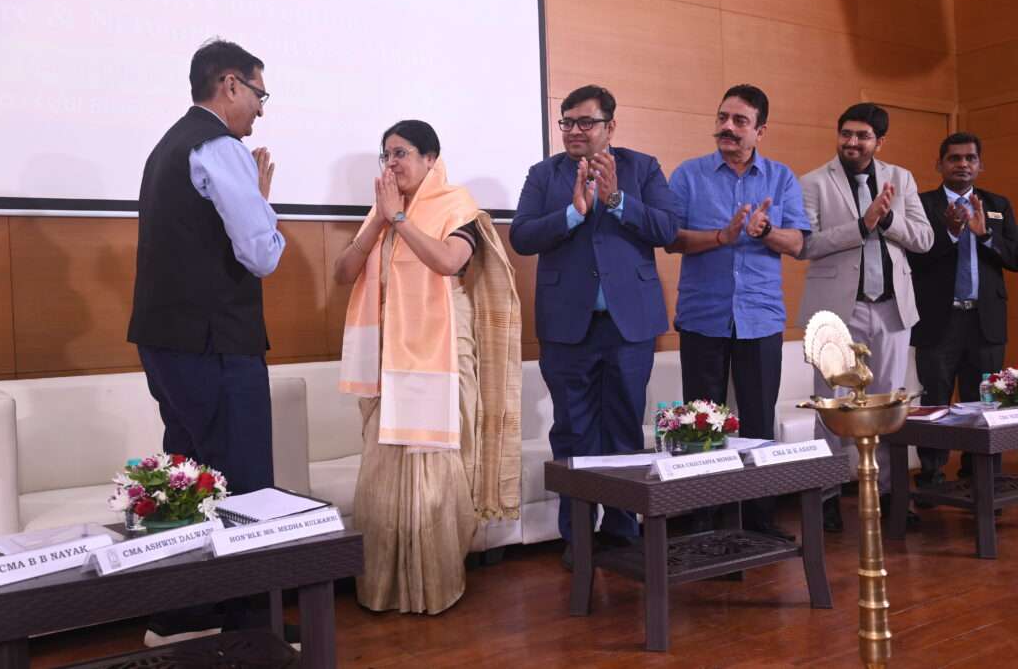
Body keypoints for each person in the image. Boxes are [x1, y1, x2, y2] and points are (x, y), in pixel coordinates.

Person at [127, 38, 285, 644]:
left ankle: (178, 615)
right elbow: (259, 254)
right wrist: (266, 213)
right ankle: (250, 629)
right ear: (229, 84)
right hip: (216, 341)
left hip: (165, 341)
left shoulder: (167, 145)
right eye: (259, 93)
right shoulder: (221, 148)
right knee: (244, 479)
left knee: (187, 477)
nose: (262, 110)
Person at [336, 119, 521, 614]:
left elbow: (446, 260)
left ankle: (436, 585)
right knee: (381, 475)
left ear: (431, 159)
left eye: (401, 153)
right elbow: (343, 273)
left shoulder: (457, 207)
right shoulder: (383, 211)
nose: (391, 163)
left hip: (440, 353)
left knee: (436, 473)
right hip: (387, 357)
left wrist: (399, 221)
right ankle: (382, 587)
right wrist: (380, 219)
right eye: (386, 155)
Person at [511, 85, 679, 566]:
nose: (574, 131)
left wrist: (619, 200)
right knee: (573, 432)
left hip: (630, 324)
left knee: (624, 427)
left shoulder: (642, 167)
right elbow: (522, 235)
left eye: (585, 122)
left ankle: (623, 529)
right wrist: (572, 213)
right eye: (566, 122)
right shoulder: (544, 174)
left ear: (610, 126)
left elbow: (668, 229)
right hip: (567, 326)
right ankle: (578, 534)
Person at [667, 84, 809, 541]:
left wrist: (765, 230)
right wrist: (723, 237)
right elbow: (672, 239)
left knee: (757, 418)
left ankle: (759, 517)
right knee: (701, 421)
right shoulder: (689, 175)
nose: (727, 127)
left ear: (760, 130)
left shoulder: (782, 178)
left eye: (740, 121)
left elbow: (799, 242)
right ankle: (702, 517)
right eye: (723, 117)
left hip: (761, 316)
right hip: (703, 315)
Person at [797, 103, 933, 531]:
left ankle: (894, 496)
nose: (852, 143)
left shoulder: (902, 178)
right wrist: (861, 224)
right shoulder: (814, 182)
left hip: (893, 307)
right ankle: (828, 496)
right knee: (832, 405)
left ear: (879, 142)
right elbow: (806, 245)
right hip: (838, 311)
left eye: (862, 136)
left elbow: (924, 239)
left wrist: (887, 219)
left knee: (892, 402)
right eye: (846, 134)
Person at [909, 132, 1018, 487]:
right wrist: (952, 233)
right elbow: (914, 258)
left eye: (970, 158)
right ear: (939, 164)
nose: (963, 164)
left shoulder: (997, 204)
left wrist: (985, 235)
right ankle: (931, 477)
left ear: (980, 165)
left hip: (985, 322)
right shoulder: (922, 205)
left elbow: (1014, 258)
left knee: (986, 404)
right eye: (954, 158)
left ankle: (983, 478)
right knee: (936, 402)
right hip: (940, 320)